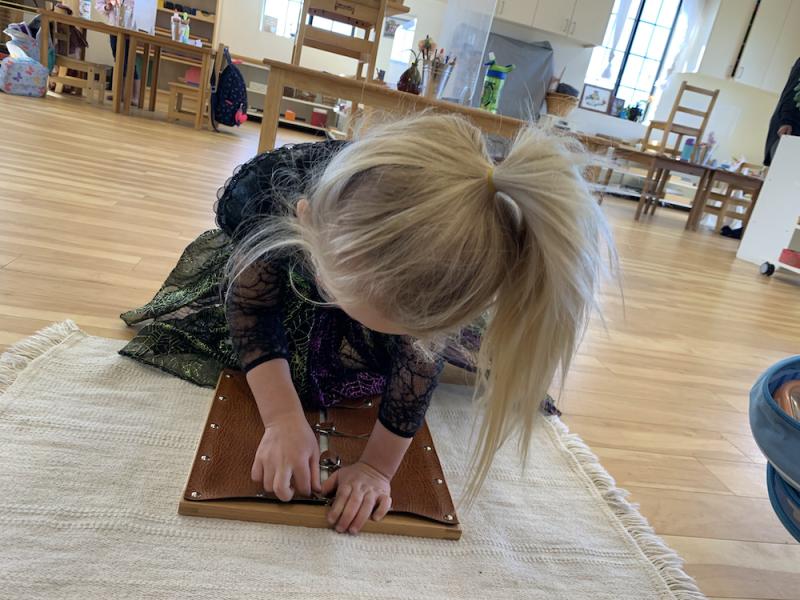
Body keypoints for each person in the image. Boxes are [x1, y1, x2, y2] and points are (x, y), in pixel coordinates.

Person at [120, 114, 612, 534]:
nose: (406, 341)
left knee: (410, 356)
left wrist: (377, 467)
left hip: (374, 272)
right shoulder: (268, 202)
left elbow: (418, 369)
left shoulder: (439, 279)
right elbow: (251, 310)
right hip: (280, 268)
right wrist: (284, 418)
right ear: (306, 221)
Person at [764, 57, 800, 166]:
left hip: (790, 130)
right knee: (782, 177)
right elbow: (792, 92)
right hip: (789, 130)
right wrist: (786, 121)